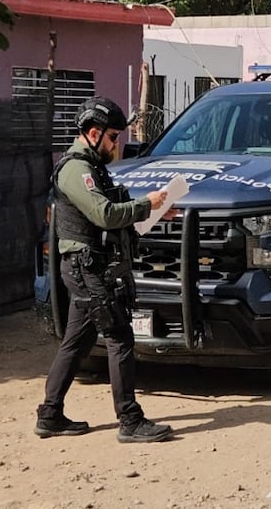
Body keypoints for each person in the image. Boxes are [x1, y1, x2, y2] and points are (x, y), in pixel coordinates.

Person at [36, 96, 173, 444]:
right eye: (113, 136)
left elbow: (113, 205)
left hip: (88, 267)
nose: (117, 144)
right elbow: (104, 215)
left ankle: (50, 415)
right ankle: (129, 420)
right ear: (94, 133)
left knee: (77, 342)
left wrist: (153, 211)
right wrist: (147, 205)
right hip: (87, 268)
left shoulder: (92, 167)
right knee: (120, 336)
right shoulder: (75, 170)